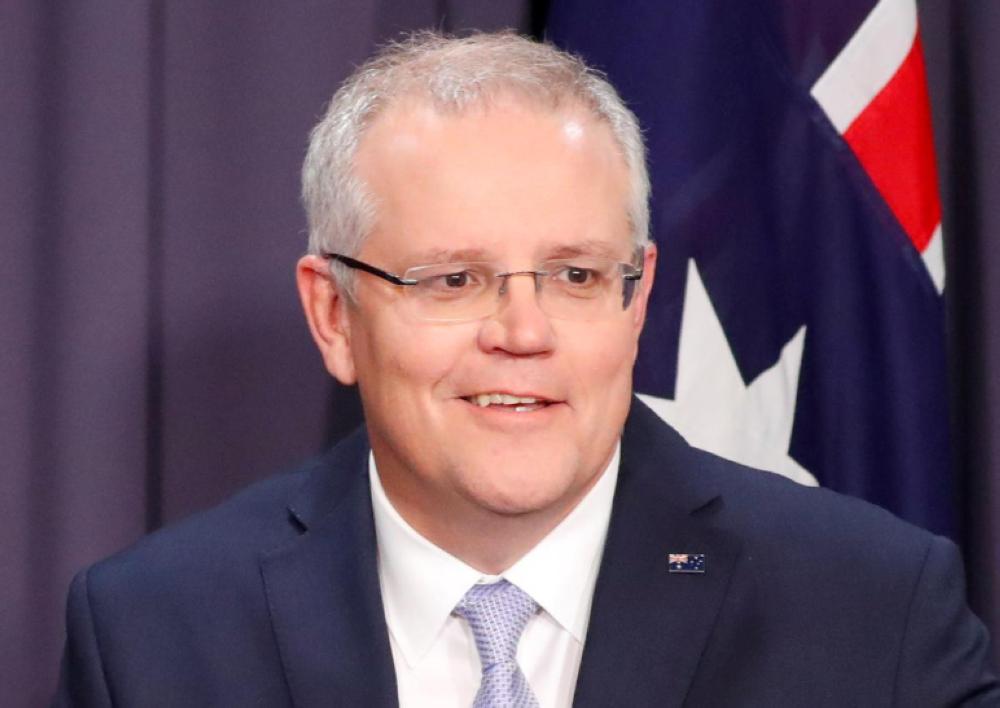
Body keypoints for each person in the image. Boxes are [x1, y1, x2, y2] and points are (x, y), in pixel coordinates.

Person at [54, 31, 998, 707]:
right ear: (333, 314)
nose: (523, 330)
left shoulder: (874, 615)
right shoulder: (154, 633)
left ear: (636, 302)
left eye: (577, 275)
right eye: (454, 278)